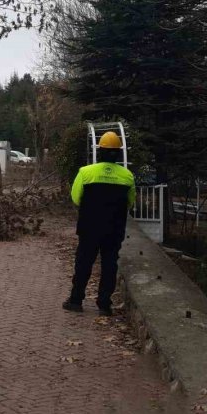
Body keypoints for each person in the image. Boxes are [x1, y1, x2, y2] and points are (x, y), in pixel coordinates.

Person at [62, 131, 135, 316]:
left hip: (89, 227)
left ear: (100, 150)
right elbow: (130, 201)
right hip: (114, 229)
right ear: (118, 153)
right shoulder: (127, 176)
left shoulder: (85, 172)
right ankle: (104, 304)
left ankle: (76, 300)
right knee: (109, 264)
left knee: (84, 263)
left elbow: (76, 198)